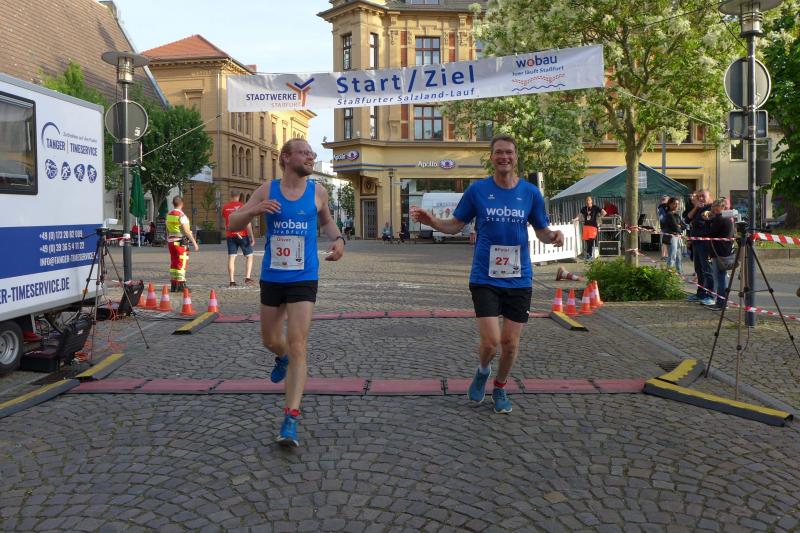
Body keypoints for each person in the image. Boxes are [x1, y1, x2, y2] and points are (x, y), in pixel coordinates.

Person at [411, 135, 564, 414]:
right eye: (498, 152)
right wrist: (431, 221)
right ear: (491, 157)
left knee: (510, 344)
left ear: (516, 157)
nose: (504, 157)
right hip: (485, 277)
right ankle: (483, 371)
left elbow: (542, 231)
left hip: (519, 277)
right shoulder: (477, 191)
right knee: (492, 342)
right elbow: (455, 226)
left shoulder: (530, 193)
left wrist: (553, 236)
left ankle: (501, 386)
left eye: (509, 152)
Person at [228, 139, 345, 447]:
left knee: (298, 344)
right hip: (273, 275)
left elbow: (327, 221)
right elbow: (232, 222)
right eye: (304, 153)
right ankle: (280, 357)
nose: (311, 157)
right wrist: (255, 210)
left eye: (312, 154)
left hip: (304, 276)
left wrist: (338, 239)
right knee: (270, 339)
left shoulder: (318, 192)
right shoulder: (268, 189)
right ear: (286, 157)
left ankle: (290, 418)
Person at [683, 189, 714, 306]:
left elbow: (701, 223)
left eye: (703, 196)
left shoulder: (711, 208)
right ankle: (700, 293)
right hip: (696, 243)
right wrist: (696, 207)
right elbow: (687, 220)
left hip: (705, 244)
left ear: (709, 196)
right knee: (699, 270)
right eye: (699, 196)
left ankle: (710, 295)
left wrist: (695, 223)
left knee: (707, 270)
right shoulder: (699, 208)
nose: (701, 198)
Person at [222, 192, 256, 287]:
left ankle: (232, 281)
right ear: (239, 196)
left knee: (231, 257)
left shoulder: (225, 207)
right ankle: (247, 278)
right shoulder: (243, 207)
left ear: (231, 196)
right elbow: (248, 223)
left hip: (230, 235)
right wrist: (252, 237)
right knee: (249, 256)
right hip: (242, 235)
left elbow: (226, 221)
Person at [706, 197, 735, 310]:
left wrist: (707, 221)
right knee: (721, 277)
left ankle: (721, 303)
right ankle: (722, 301)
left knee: (720, 278)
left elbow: (710, 232)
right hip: (725, 250)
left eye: (715, 206)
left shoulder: (720, 218)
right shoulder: (727, 218)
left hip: (719, 251)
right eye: (712, 206)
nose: (713, 208)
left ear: (721, 207)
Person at [166, 196, 199, 293]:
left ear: (173, 204)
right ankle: (181, 285)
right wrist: (194, 243)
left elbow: (167, 229)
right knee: (181, 263)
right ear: (182, 204)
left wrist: (168, 239)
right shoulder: (181, 216)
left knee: (174, 262)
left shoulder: (169, 215)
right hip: (180, 242)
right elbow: (187, 231)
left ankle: (174, 285)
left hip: (171, 242)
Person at [572, 196, 605, 260]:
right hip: (586, 227)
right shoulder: (584, 208)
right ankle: (589, 255)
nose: (588, 202)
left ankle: (589, 255)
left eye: (589, 200)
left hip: (593, 227)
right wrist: (575, 219)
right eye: (586, 200)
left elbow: (604, 212)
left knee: (591, 240)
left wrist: (599, 218)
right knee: (587, 241)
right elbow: (580, 215)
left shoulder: (595, 207)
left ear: (591, 201)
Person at [661, 197, 685, 274]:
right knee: (672, 256)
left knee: (679, 257)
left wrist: (679, 227)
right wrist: (679, 227)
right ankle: (668, 273)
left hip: (677, 237)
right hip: (671, 237)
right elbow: (675, 227)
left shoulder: (676, 215)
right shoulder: (669, 214)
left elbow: (684, 226)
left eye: (678, 204)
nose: (676, 205)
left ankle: (679, 272)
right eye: (674, 203)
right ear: (670, 204)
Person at [657, 195, 670, 260]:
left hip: (664, 226)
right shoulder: (663, 207)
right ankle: (664, 255)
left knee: (665, 241)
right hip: (666, 226)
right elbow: (663, 218)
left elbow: (661, 218)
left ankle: (665, 255)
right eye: (668, 200)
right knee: (665, 242)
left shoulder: (660, 207)